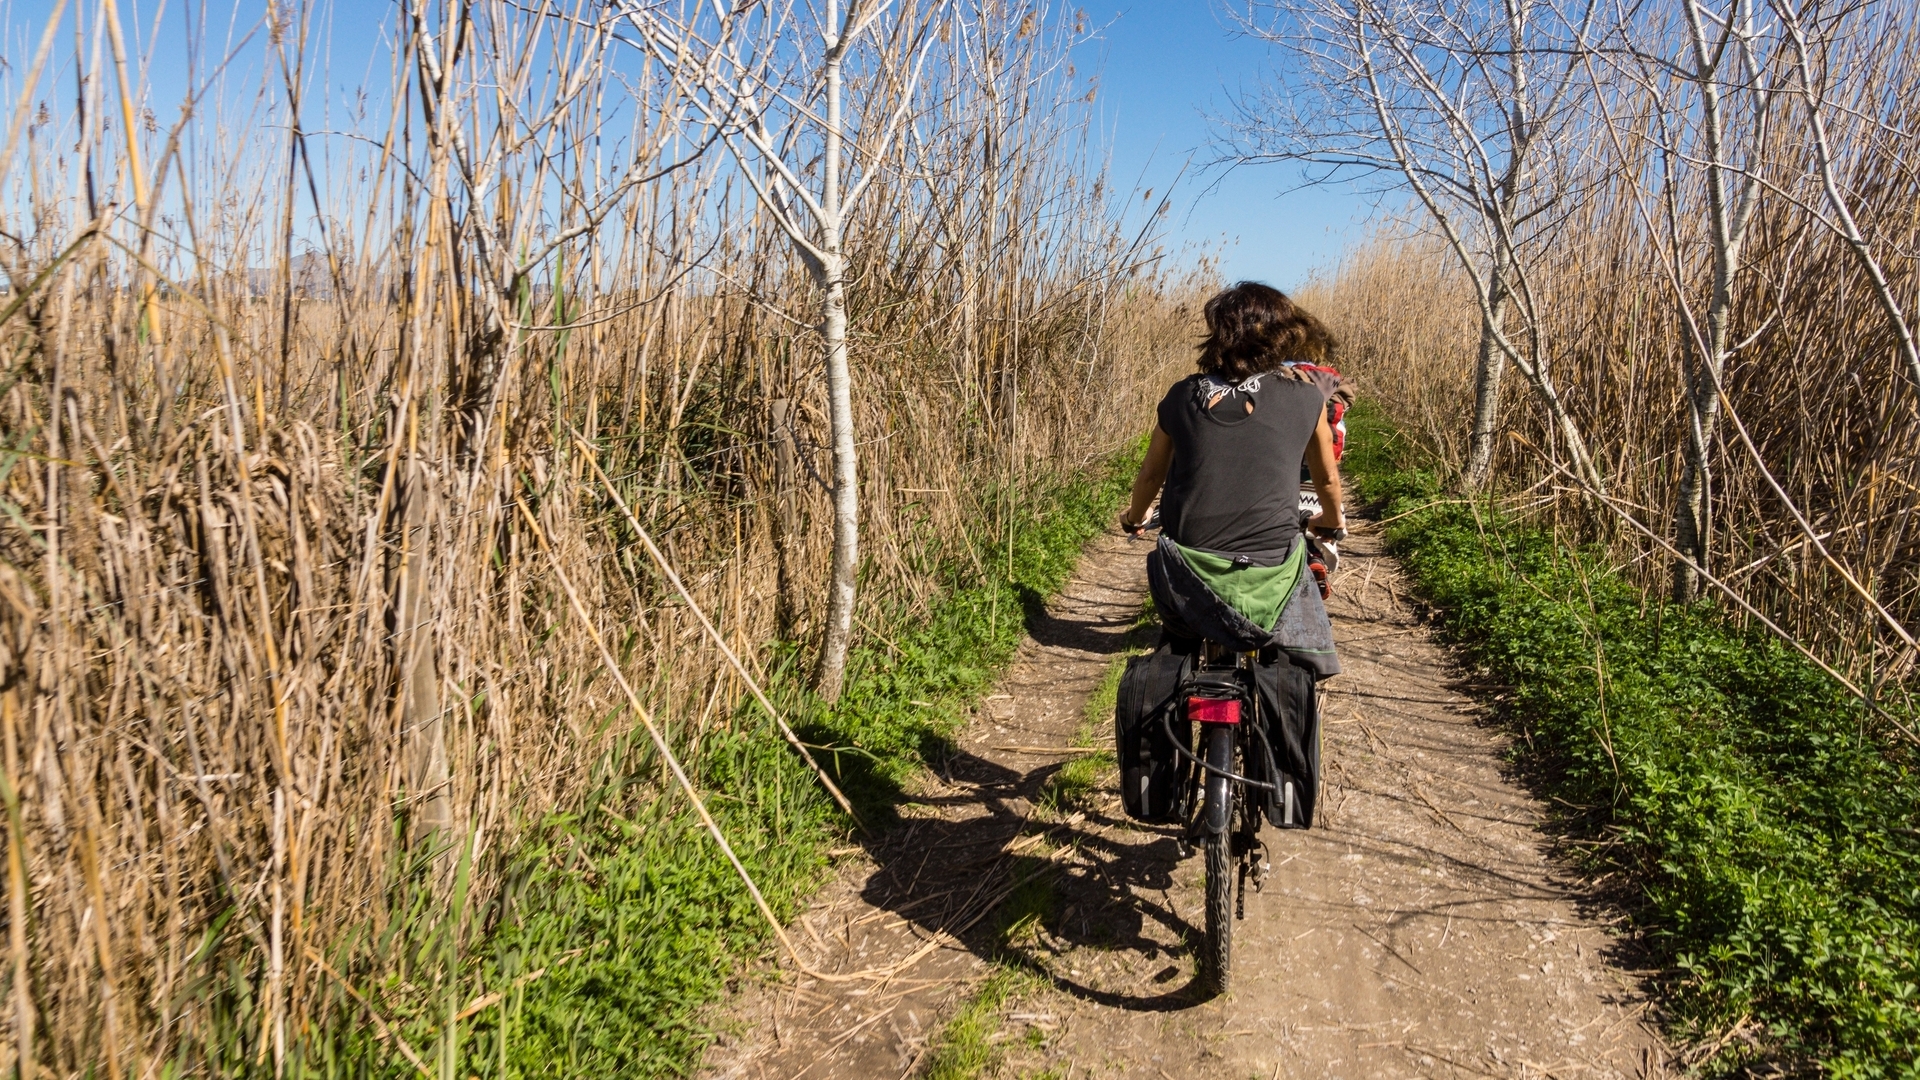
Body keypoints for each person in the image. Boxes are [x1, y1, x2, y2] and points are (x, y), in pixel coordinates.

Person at [1119, 282, 1346, 674]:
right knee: (1299, 582)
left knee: (1177, 636)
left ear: (1219, 334)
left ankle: (1175, 671)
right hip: (1270, 567)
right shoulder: (1309, 399)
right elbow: (1326, 482)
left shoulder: (1182, 395)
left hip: (1187, 571)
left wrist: (1136, 516)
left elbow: (1152, 473)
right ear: (1284, 335)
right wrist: (1331, 521)